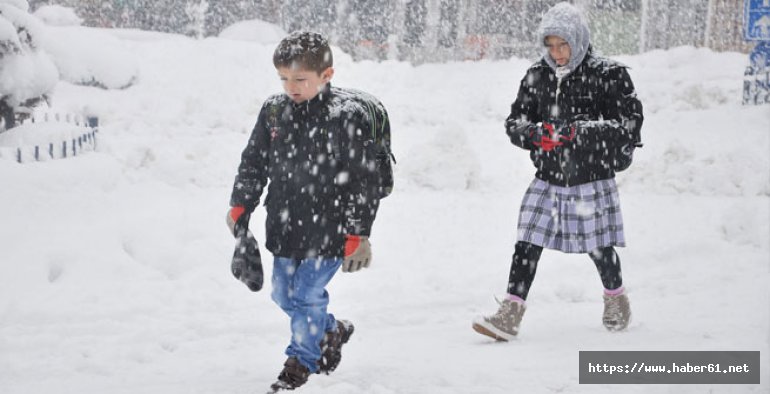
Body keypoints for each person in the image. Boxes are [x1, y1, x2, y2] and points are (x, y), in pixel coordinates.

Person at [227, 31, 392, 391]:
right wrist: (241, 203)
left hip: (330, 227)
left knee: (305, 295)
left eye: (300, 79)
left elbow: (362, 181)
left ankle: (301, 360)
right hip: (285, 223)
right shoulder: (274, 112)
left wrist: (357, 233)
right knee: (282, 294)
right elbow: (253, 161)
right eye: (283, 78)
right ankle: (330, 330)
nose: (291, 87)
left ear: (326, 75)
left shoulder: (345, 116)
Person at [472, 2, 643, 341]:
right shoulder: (537, 74)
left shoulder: (608, 74)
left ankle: (616, 299)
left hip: (591, 177)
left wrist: (577, 132)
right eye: (550, 45)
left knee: (599, 247)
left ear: (579, 40)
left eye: (563, 44)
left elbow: (628, 126)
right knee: (527, 242)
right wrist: (536, 134)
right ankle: (510, 313)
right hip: (549, 176)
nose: (557, 53)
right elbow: (515, 122)